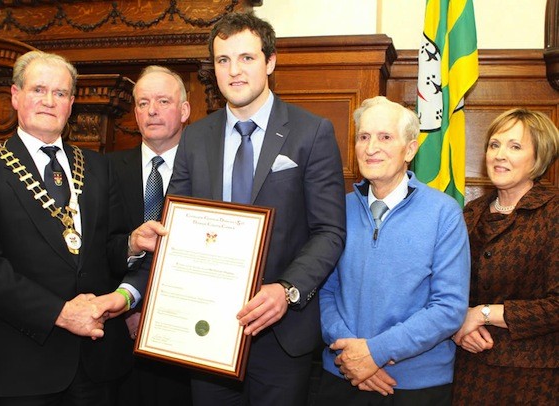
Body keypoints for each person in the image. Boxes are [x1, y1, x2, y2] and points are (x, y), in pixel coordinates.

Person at [168, 11, 346, 406]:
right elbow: (176, 223)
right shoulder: (194, 137)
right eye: (222, 60)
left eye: (246, 58)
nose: (234, 71)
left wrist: (287, 290)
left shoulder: (311, 132)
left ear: (270, 62)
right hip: (207, 330)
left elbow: (329, 231)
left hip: (281, 333)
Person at [0, 50, 162, 405]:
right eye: (38, 90)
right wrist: (60, 313)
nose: (49, 101)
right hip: (22, 364)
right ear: (16, 96)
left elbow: (105, 250)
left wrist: (131, 244)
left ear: (72, 103)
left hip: (97, 364)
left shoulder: (97, 166)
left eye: (60, 93)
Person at [317, 96, 470, 406]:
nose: (371, 147)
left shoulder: (444, 213)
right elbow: (322, 291)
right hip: (340, 375)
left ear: (410, 150)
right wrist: (350, 353)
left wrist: (375, 353)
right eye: (363, 137)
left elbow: (449, 306)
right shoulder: (336, 210)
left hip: (415, 385)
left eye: (385, 137)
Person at [452, 108, 558, 405]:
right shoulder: (469, 214)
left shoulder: (554, 214)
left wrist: (482, 313)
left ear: (539, 157)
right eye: (494, 144)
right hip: (469, 370)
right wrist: (457, 323)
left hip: (532, 380)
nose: (499, 155)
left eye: (515, 146)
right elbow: (444, 289)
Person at [109, 65, 192, 405]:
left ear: (184, 110)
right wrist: (129, 310)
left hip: (185, 335)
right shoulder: (106, 169)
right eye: (143, 103)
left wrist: (159, 311)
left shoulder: (207, 171)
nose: (152, 111)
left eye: (162, 101)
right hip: (116, 337)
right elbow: (94, 248)